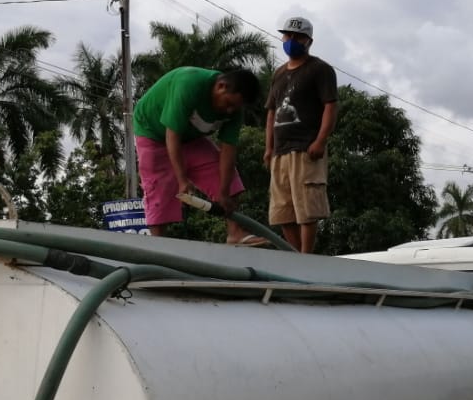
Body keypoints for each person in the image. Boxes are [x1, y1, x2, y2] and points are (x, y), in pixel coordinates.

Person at [133, 66, 262, 244]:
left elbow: (228, 150)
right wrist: (182, 180)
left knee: (228, 176)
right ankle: (157, 245)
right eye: (229, 104)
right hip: (154, 133)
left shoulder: (234, 111)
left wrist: (223, 191)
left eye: (236, 107)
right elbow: (172, 135)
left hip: (190, 138)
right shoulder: (189, 84)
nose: (230, 111)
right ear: (221, 86)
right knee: (159, 189)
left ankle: (235, 234)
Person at [265, 16, 338, 253]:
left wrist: (320, 140)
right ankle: (295, 255)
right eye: (288, 36)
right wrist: (268, 148)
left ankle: (307, 256)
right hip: (280, 150)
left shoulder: (320, 69)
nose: (292, 40)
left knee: (307, 208)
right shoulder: (278, 73)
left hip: (306, 147)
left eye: (298, 36)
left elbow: (330, 106)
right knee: (282, 210)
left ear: (309, 41)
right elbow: (271, 112)